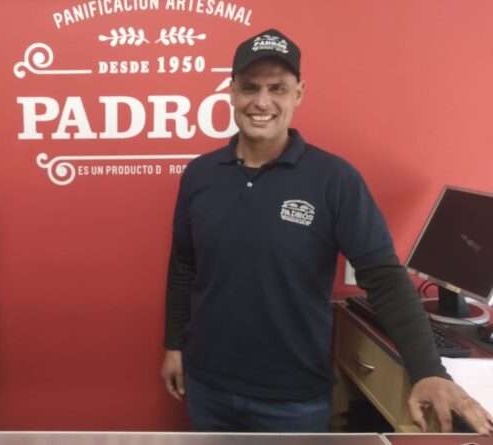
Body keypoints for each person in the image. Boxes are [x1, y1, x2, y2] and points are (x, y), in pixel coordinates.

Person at [160, 28, 493, 433]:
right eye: (250, 87)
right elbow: (183, 267)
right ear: (231, 92)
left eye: (277, 88)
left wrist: (429, 370)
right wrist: (174, 345)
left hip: (292, 400)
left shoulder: (334, 180)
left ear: (298, 93)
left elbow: (384, 278)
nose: (262, 102)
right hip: (207, 387)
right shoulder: (200, 175)